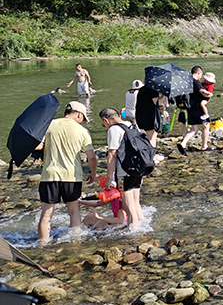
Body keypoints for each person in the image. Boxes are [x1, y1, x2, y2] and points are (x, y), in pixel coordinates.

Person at [37, 101, 98, 244]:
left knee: (46, 214)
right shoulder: (82, 131)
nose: (82, 120)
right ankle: (76, 242)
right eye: (83, 117)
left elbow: (37, 145)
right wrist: (93, 173)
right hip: (72, 176)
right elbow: (92, 156)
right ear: (79, 114)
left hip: (49, 175)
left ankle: (42, 245)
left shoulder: (49, 124)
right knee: (73, 211)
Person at [98, 107, 145, 229]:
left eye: (103, 123)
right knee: (136, 203)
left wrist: (109, 177)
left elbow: (112, 154)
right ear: (119, 115)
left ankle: (133, 233)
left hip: (124, 171)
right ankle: (144, 227)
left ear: (105, 120)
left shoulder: (114, 130)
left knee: (129, 208)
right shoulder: (132, 125)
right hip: (139, 168)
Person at [178, 66, 211, 153]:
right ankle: (204, 146)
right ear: (198, 73)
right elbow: (203, 93)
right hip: (198, 108)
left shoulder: (186, 82)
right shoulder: (195, 82)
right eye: (201, 75)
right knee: (206, 125)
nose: (201, 77)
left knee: (194, 129)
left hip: (190, 108)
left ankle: (183, 143)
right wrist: (210, 95)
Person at [135, 84, 165, 149]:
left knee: (146, 137)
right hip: (149, 117)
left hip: (140, 115)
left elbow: (147, 102)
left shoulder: (142, 89)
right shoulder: (153, 90)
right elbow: (157, 102)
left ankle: (146, 153)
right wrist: (164, 95)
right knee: (152, 137)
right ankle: (151, 155)